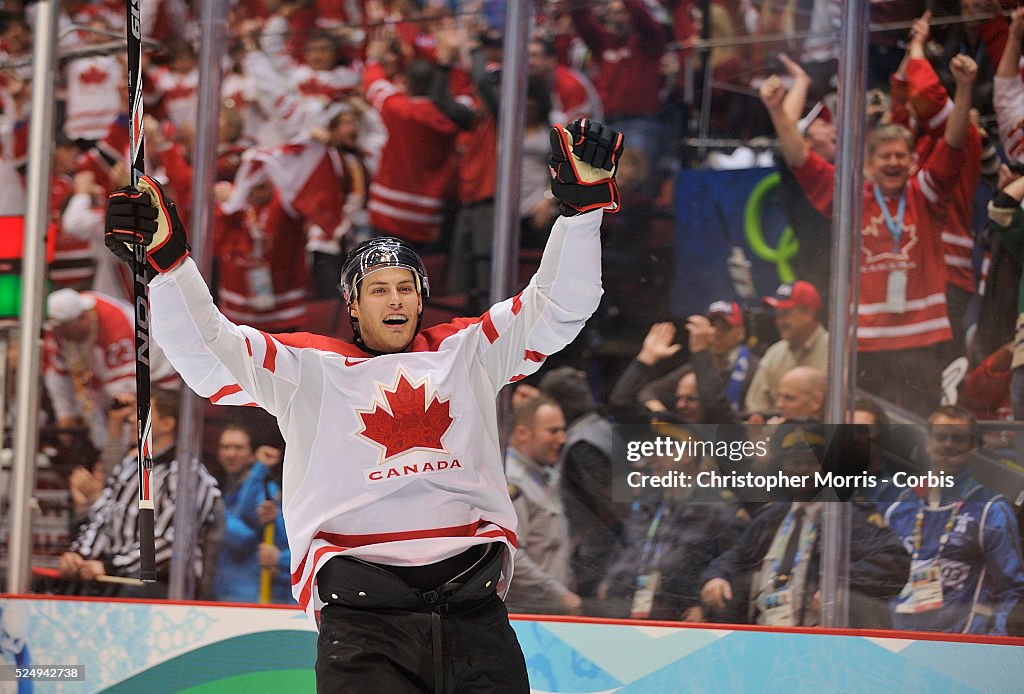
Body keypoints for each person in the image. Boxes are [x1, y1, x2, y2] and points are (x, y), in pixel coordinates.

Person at [104, 118, 622, 691]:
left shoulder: (467, 352)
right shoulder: (309, 369)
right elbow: (209, 355)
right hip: (363, 623)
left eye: (406, 287)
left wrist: (582, 213)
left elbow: (558, 307)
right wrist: (169, 265)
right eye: (379, 289)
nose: (395, 299)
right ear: (352, 305)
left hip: (475, 618)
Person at [700, 421, 910, 628]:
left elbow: (893, 560)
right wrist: (717, 577)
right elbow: (733, 557)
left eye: (811, 463)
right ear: (782, 469)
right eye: (795, 463)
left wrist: (839, 583)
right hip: (764, 634)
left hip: (820, 639)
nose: (802, 471)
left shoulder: (848, 516)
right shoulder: (770, 518)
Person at [57, 388, 221, 597]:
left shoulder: (188, 475)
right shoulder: (128, 466)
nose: (132, 419)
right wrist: (79, 554)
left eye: (142, 413)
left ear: (168, 424)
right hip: (113, 578)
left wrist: (111, 567)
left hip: (158, 587)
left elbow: (172, 542)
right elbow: (101, 518)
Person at [882, 406, 1024, 634]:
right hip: (898, 642)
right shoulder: (901, 505)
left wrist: (997, 642)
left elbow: (1011, 589)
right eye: (941, 436)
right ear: (927, 442)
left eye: (958, 438)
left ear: (973, 447)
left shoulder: (990, 508)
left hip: (961, 647)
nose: (948, 445)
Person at [539, 366, 630, 610]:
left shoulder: (582, 446)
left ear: (560, 403)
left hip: (598, 556)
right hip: (611, 551)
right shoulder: (604, 428)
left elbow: (614, 507)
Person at [42, 288, 179, 450]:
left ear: (81, 319)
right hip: (110, 385)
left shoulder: (115, 321)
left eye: (63, 329)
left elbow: (123, 394)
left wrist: (114, 437)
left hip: (157, 384)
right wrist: (65, 414)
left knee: (124, 419)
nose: (58, 334)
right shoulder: (61, 328)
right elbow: (57, 376)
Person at [503, 396, 581, 615]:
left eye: (562, 430)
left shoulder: (546, 477)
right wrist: (560, 595)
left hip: (548, 612)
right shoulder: (511, 481)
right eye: (553, 431)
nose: (562, 438)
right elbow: (511, 555)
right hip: (526, 614)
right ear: (522, 434)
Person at [212, 423, 291, 604]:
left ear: (251, 455)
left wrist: (280, 559)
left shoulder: (265, 491)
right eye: (225, 447)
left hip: (255, 597)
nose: (231, 454)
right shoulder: (227, 490)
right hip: (226, 593)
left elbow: (243, 537)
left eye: (238, 448)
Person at [744, 281, 829, 416]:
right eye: (777, 315)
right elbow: (755, 407)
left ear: (808, 313)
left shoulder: (836, 352)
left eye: (785, 314)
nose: (779, 322)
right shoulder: (774, 353)